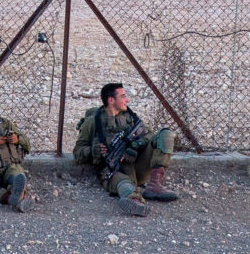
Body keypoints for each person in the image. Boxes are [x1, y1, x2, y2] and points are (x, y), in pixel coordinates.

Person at [73, 82, 178, 216]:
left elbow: (149, 135)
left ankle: (154, 184)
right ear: (111, 100)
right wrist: (93, 151)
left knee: (166, 134)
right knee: (124, 185)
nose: (126, 100)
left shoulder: (130, 118)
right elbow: (77, 151)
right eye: (122, 96)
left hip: (138, 166)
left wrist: (136, 145)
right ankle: (133, 200)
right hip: (114, 171)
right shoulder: (93, 122)